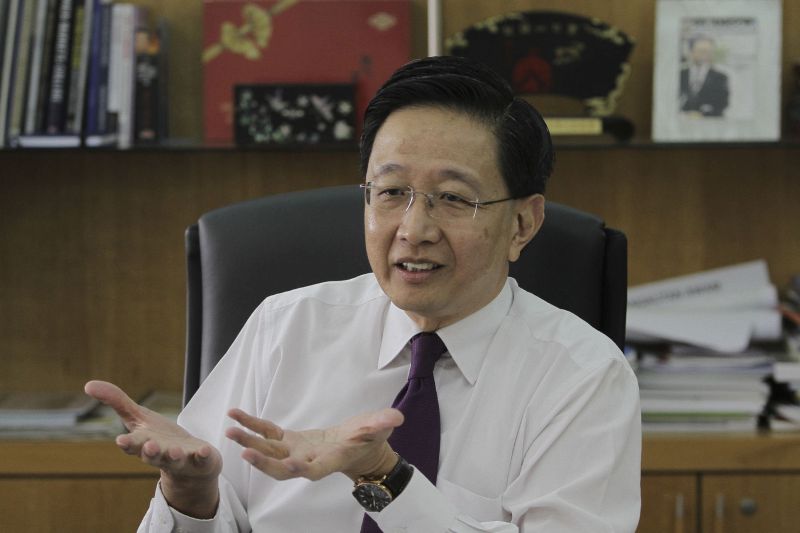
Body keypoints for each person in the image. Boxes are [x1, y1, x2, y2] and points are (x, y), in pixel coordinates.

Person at [85, 55, 641, 532]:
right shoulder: (286, 328)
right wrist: (191, 494)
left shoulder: (583, 375)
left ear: (523, 223)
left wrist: (384, 477)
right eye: (392, 192)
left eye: (452, 198)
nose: (414, 228)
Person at [679, 35, 730, 117]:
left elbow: (723, 105)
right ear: (691, 52)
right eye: (701, 51)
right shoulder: (680, 75)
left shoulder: (720, 78)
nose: (705, 55)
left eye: (708, 51)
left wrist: (702, 115)